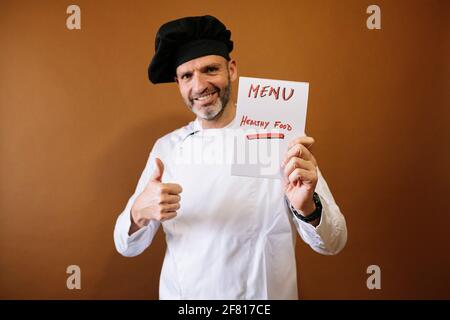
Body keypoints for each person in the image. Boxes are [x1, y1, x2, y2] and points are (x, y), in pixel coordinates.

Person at [114, 15, 347, 300]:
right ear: (177, 82)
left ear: (232, 69)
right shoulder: (167, 148)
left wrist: (308, 207)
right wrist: (139, 211)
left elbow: (334, 241)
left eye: (210, 69)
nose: (199, 86)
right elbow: (126, 246)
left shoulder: (278, 136)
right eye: (187, 75)